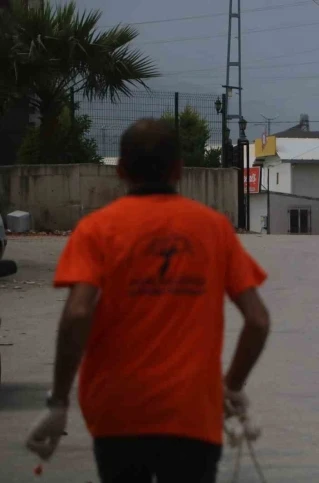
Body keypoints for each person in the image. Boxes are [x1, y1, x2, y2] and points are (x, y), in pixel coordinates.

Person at [25, 119, 271, 483]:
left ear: (121, 170)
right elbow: (258, 320)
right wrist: (231, 386)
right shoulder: (213, 228)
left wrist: (59, 401)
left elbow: (77, 312)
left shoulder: (97, 229)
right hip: (193, 416)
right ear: (180, 169)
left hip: (117, 414)